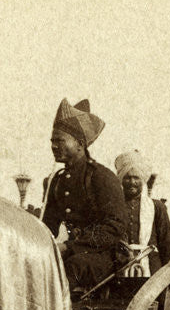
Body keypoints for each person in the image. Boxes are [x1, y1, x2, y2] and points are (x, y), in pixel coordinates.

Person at [40, 97, 127, 291]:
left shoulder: (101, 177)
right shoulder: (57, 181)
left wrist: (71, 247)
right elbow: (48, 225)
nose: (54, 146)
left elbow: (115, 226)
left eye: (59, 140)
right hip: (74, 252)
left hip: (105, 256)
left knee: (72, 267)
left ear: (80, 143)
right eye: (52, 141)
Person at [114, 150, 170, 274]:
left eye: (136, 178)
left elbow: (166, 244)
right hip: (120, 266)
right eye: (127, 178)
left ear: (143, 180)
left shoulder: (157, 207)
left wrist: (167, 275)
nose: (132, 182)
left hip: (151, 268)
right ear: (121, 179)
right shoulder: (114, 206)